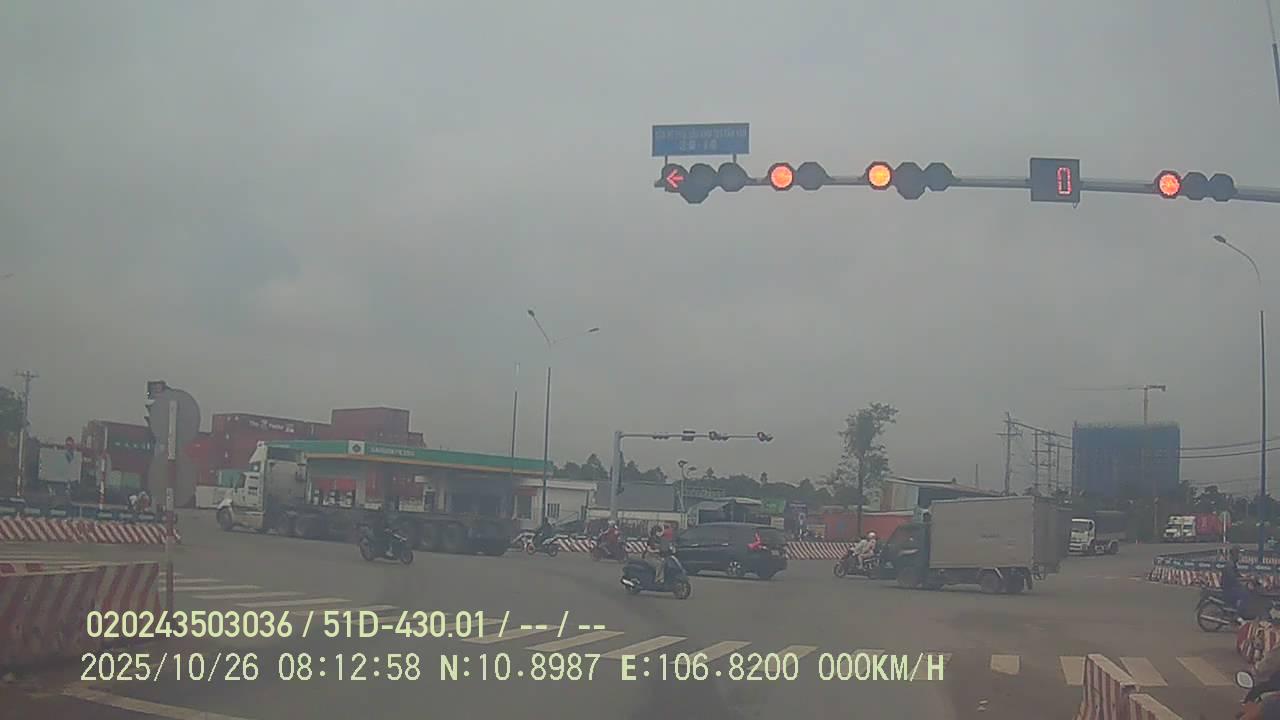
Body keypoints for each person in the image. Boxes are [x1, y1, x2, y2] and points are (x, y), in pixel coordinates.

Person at [1222, 546, 1247, 616]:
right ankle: (1239, 614)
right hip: (1230, 589)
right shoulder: (1230, 565)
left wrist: (1246, 578)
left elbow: (1238, 575)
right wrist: (1243, 581)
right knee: (1246, 594)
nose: (1241, 556)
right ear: (1235, 554)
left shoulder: (1233, 563)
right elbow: (1233, 579)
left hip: (1232, 587)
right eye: (1240, 553)